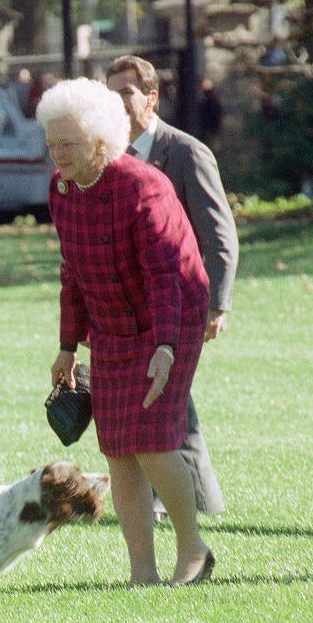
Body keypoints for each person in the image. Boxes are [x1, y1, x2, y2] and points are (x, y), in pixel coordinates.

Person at [37, 78, 214, 587]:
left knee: (154, 441)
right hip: (111, 326)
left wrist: (164, 346)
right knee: (117, 450)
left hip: (171, 317)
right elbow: (71, 271)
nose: (57, 154)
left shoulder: (143, 186)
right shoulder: (63, 189)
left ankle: (193, 551)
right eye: (51, 143)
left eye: (67, 144)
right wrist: (68, 347)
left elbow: (165, 273)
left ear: (100, 141)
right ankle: (142, 572)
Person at [106, 55, 238, 523]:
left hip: (182, 301)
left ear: (151, 96)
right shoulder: (110, 158)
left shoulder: (184, 153)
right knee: (160, 403)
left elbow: (219, 235)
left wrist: (216, 305)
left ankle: (198, 503)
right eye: (111, 93)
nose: (117, 103)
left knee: (174, 404)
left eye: (126, 92)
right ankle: (174, 500)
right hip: (130, 311)